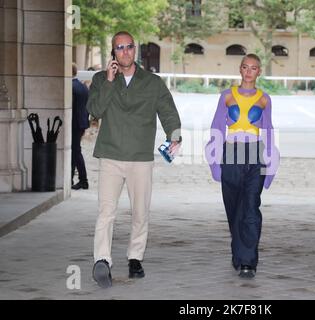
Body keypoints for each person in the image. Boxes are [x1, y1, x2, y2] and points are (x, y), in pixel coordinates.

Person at [86, 31, 182, 288]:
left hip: (140, 158)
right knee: (106, 212)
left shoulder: (153, 82)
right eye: (120, 47)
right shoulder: (99, 80)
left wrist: (175, 136)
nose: (125, 52)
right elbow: (95, 110)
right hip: (110, 156)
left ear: (135, 49)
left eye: (129, 47)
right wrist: (108, 80)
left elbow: (169, 112)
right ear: (113, 52)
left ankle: (135, 257)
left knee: (140, 212)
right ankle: (102, 260)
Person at [205, 54, 279, 279]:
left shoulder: (264, 99)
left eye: (254, 68)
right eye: (245, 67)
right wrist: (215, 163)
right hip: (231, 154)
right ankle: (239, 253)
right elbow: (217, 127)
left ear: (259, 72)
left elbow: (268, 131)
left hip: (255, 155)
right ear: (240, 70)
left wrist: (270, 167)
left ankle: (248, 261)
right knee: (234, 208)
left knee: (250, 208)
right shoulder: (227, 96)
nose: (249, 72)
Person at [71, 63, 90, 190]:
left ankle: (83, 180)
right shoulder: (83, 87)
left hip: (73, 124)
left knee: (76, 152)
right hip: (81, 123)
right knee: (73, 151)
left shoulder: (71, 87)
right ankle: (71, 178)